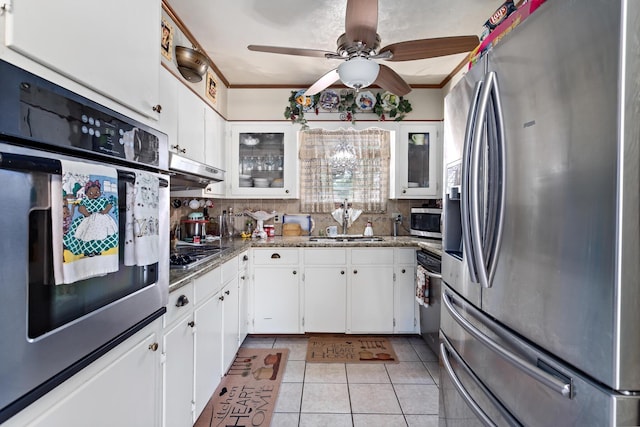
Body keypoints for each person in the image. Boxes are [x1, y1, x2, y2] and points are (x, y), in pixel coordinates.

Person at [63, 180, 118, 257]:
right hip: (89, 218)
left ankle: (98, 249)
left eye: (97, 192)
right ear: (86, 194)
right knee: (87, 235)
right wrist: (86, 213)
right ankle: (88, 250)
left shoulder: (102, 200)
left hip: (102, 219)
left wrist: (105, 210)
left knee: (102, 234)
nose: (94, 194)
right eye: (91, 193)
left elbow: (109, 205)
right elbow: (80, 208)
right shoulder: (86, 201)